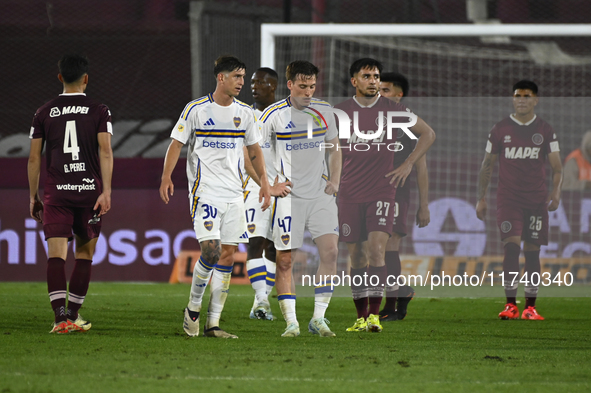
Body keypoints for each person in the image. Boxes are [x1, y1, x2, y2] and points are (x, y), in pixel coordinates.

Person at [159, 56, 275, 339]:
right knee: (210, 251)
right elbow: (176, 144)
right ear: (221, 78)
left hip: (236, 194)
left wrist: (264, 183)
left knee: (226, 256)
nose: (242, 82)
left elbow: (253, 152)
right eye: (237, 76)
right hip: (205, 192)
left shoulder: (246, 113)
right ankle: (193, 309)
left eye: (243, 77)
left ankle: (213, 324)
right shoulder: (196, 109)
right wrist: (166, 177)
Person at [336, 58, 435, 333]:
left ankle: (376, 316)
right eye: (367, 76)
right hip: (349, 192)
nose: (373, 81)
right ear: (354, 80)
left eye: (376, 76)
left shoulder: (394, 110)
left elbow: (428, 134)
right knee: (356, 256)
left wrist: (406, 164)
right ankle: (360, 316)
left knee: (378, 250)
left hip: (383, 191)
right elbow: (327, 149)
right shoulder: (340, 113)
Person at [27, 54, 113, 334]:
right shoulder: (99, 110)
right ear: (86, 78)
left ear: (60, 77)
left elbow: (34, 159)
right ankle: (73, 316)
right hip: (89, 192)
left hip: (57, 192)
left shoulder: (43, 111)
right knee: (84, 255)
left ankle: (59, 318)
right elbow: (106, 151)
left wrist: (33, 196)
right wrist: (107, 191)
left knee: (56, 255)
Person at [258, 60, 342, 337]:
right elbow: (255, 151)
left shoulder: (325, 111)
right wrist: (270, 184)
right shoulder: (272, 115)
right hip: (289, 196)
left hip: (320, 194)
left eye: (312, 86)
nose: (308, 92)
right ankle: (291, 322)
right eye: (303, 86)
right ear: (290, 84)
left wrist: (335, 180)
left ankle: (318, 318)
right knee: (284, 261)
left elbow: (335, 148)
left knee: (331, 252)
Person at [476, 80, 562, 321]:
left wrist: (556, 193)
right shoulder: (500, 129)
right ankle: (510, 304)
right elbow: (487, 165)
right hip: (508, 199)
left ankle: (530, 307)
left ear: (535, 100)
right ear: (513, 99)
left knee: (533, 252)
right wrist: (480, 198)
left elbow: (557, 167)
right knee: (511, 247)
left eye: (526, 96)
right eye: (517, 95)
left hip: (536, 201)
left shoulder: (545, 130)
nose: (521, 100)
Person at [378, 72, 430, 322]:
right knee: (373, 250)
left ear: (399, 95)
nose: (380, 93)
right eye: (379, 89)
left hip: (398, 192)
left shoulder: (408, 124)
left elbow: (421, 167)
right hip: (372, 193)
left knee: (390, 246)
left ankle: (391, 306)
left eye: (385, 90)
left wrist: (424, 205)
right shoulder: (371, 120)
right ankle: (402, 291)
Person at [244, 68, 280, 320]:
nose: (254, 86)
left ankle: (261, 302)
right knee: (256, 240)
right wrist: (264, 185)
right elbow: (246, 158)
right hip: (255, 187)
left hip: (284, 188)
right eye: (253, 82)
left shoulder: (286, 115)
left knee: (277, 247)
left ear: (274, 86)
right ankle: (261, 302)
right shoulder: (245, 115)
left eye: (261, 82)